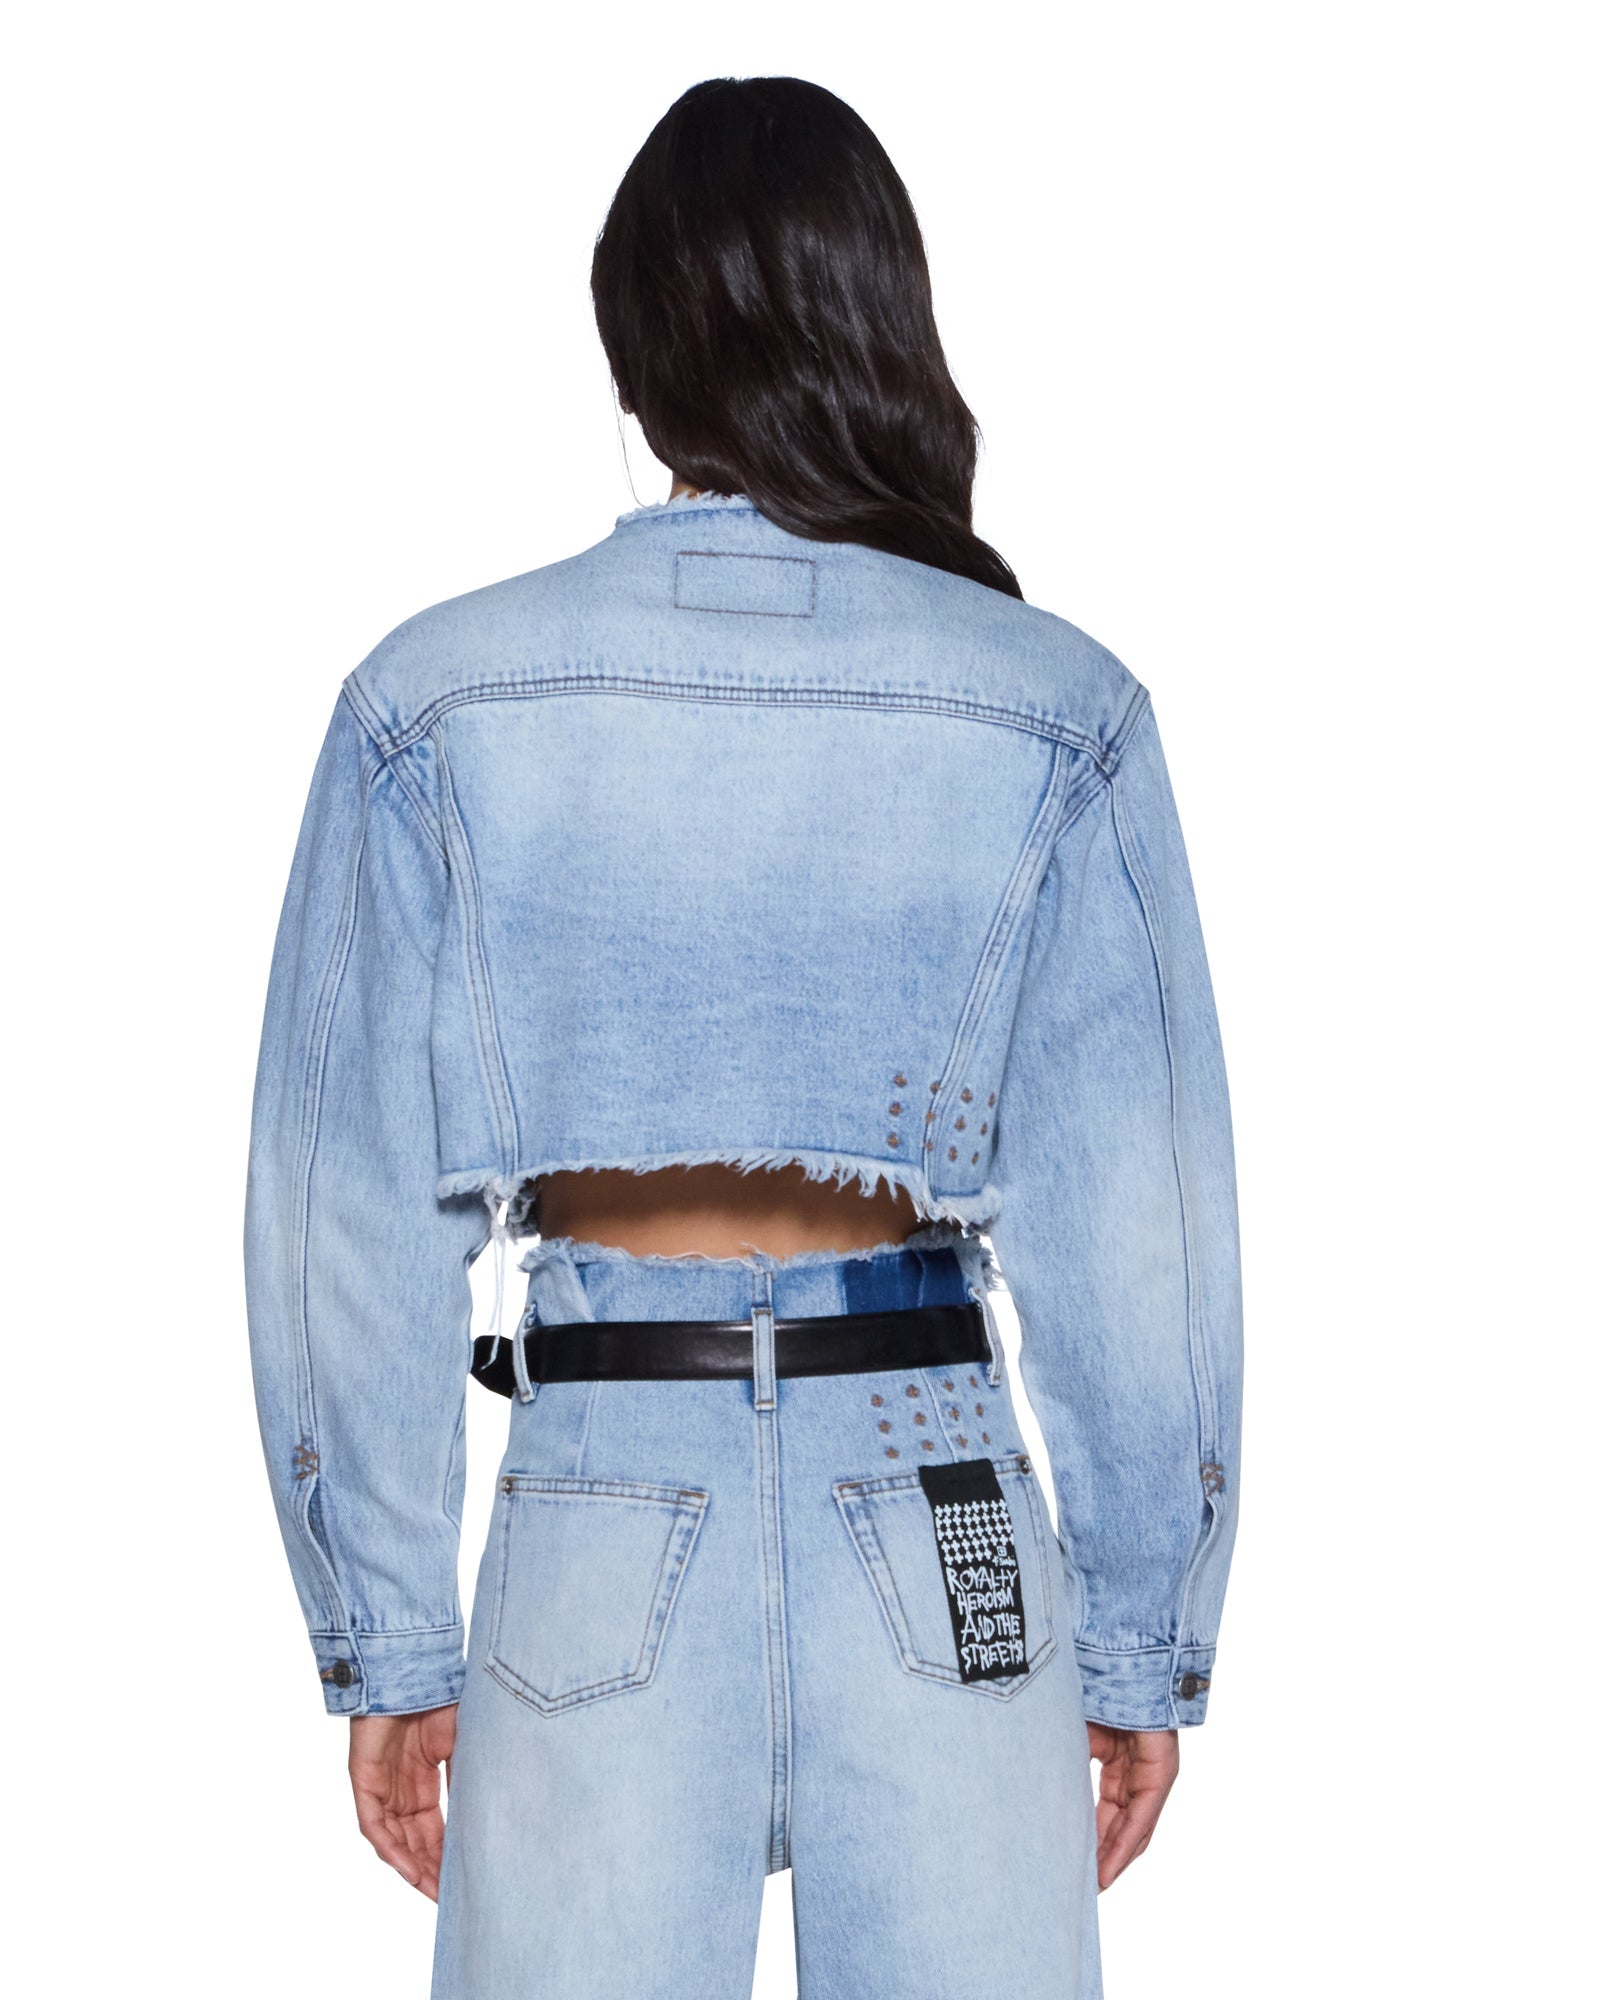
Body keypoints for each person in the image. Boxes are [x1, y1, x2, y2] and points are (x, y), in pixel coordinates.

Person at [243, 74, 1243, 2000]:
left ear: (635, 344)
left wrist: (387, 1632)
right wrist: (1139, 1636)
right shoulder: (1055, 706)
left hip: (597, 1494)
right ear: (886, 322)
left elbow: (341, 1215)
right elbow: (1144, 1231)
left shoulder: (434, 700)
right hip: (945, 1501)